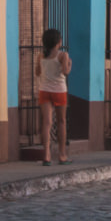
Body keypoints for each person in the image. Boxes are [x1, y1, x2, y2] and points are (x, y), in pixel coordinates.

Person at [34, 28, 71, 166]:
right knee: (61, 122)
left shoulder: (41, 56)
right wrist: (70, 64)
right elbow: (65, 72)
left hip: (44, 90)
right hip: (59, 91)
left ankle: (47, 156)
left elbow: (37, 73)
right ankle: (62, 155)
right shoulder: (63, 55)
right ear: (58, 42)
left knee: (47, 123)